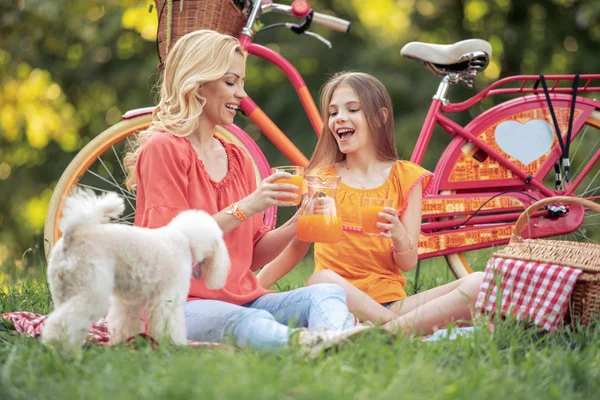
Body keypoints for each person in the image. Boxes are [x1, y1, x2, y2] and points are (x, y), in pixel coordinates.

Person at [124, 30, 368, 354]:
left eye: (241, 82)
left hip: (246, 300)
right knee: (244, 323)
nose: (241, 94)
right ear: (197, 83)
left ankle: (331, 342)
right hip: (177, 306)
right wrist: (247, 206)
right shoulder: (163, 149)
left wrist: (299, 220)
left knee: (327, 294)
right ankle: (310, 344)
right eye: (231, 82)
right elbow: (168, 249)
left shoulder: (237, 156)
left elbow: (252, 256)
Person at [257, 72, 484, 336]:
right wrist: (251, 289)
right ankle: (406, 330)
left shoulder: (406, 177)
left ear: (380, 117)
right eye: (332, 113)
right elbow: (297, 248)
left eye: (352, 109)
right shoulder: (323, 179)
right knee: (321, 279)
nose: (339, 117)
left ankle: (384, 330)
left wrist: (398, 233)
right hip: (338, 302)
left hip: (393, 305)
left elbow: (408, 262)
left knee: (479, 283)